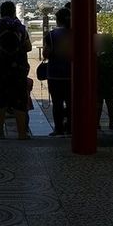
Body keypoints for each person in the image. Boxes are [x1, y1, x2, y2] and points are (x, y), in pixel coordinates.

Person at [0, 1, 32, 140]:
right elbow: (28, 47)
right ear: (14, 12)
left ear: (1, 12)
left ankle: (0, 132)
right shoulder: (20, 27)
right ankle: (21, 133)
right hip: (18, 69)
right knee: (19, 101)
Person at [43, 7, 72, 136]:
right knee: (71, 102)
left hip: (55, 73)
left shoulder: (51, 35)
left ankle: (58, 128)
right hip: (72, 74)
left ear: (57, 20)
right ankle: (71, 127)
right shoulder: (77, 33)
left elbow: (46, 54)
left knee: (57, 103)